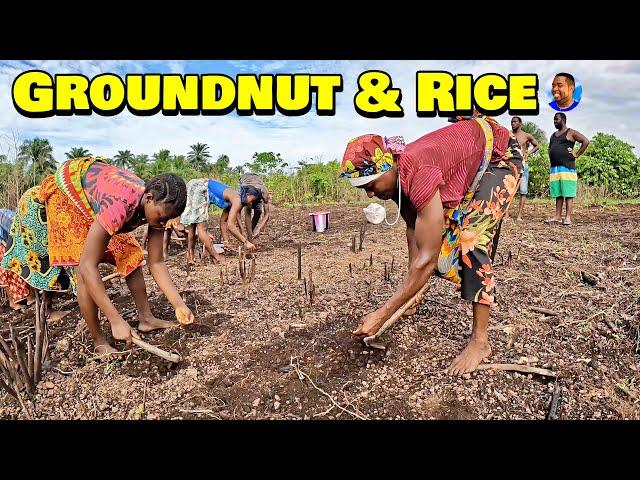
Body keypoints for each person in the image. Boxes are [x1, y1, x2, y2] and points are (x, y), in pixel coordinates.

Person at [340, 114, 523, 375]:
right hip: (475, 158)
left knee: (471, 240)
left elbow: (427, 258)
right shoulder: (396, 181)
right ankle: (419, 293)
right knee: (438, 240)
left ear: (387, 168)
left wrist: (382, 313)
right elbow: (413, 228)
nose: (370, 194)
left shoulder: (419, 174)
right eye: (363, 189)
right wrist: (410, 291)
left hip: (499, 156)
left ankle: (480, 342)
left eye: (370, 185)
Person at [1, 157, 195, 355]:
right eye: (162, 218)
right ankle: (99, 342)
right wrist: (115, 319)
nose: (163, 225)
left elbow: (156, 262)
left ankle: (146, 319)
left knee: (130, 253)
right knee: (82, 267)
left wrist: (179, 305)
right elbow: (87, 267)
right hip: (68, 195)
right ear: (149, 198)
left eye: (168, 220)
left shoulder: (154, 210)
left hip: (98, 199)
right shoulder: (119, 205)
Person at [181, 177, 261, 263]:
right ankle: (217, 257)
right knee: (202, 228)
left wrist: (226, 241)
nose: (251, 204)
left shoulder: (236, 197)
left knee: (193, 226)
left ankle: (190, 256)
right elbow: (231, 225)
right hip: (200, 187)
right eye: (252, 200)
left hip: (196, 184)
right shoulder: (238, 200)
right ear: (248, 194)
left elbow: (224, 221)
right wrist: (245, 242)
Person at [545, 113, 590, 226]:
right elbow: (550, 147)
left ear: (563, 120)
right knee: (558, 193)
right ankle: (557, 217)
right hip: (555, 168)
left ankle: (568, 218)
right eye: (554, 119)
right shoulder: (553, 135)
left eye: (557, 119)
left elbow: (585, 141)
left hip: (567, 167)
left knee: (568, 193)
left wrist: (577, 154)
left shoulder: (571, 132)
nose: (554, 121)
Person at [0, 208, 35, 310]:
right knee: (9, 273)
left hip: (11, 241)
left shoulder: (6, 214)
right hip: (5, 246)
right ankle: (17, 301)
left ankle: (29, 297)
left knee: (19, 269)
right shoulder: (5, 215)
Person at [509, 116, 539, 221]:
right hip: (511, 165)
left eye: (515, 122)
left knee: (523, 190)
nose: (513, 123)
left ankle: (519, 215)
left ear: (520, 123)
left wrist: (528, 153)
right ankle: (506, 214)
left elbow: (536, 145)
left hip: (523, 165)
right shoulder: (509, 135)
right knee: (509, 190)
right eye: (512, 122)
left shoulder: (526, 135)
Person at [238, 173, 271, 242]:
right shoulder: (245, 192)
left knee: (258, 212)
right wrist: (242, 230)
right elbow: (245, 214)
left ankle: (251, 232)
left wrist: (259, 229)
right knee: (248, 210)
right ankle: (250, 236)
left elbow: (267, 213)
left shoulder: (264, 192)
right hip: (245, 181)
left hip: (257, 183)